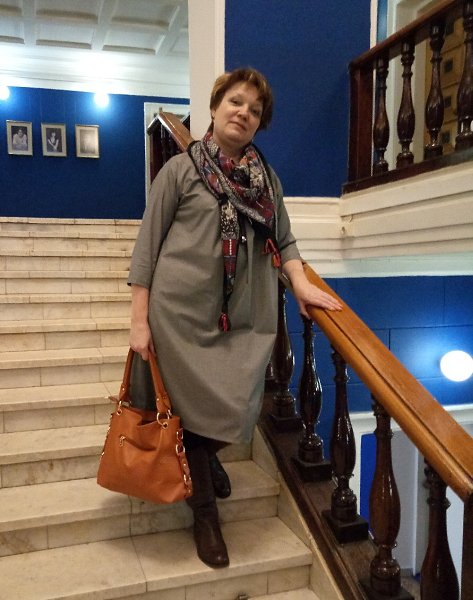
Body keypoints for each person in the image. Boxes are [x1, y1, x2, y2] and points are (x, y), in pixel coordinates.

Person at [127, 67, 342, 569]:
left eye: (255, 110)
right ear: (215, 106)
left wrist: (301, 282)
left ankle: (203, 458)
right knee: (186, 412)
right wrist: (139, 320)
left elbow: (284, 239)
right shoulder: (179, 171)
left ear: (260, 123)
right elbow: (147, 248)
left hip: (246, 317)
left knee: (237, 410)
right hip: (179, 316)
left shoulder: (267, 180)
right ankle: (205, 515)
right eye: (236, 102)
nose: (244, 113)